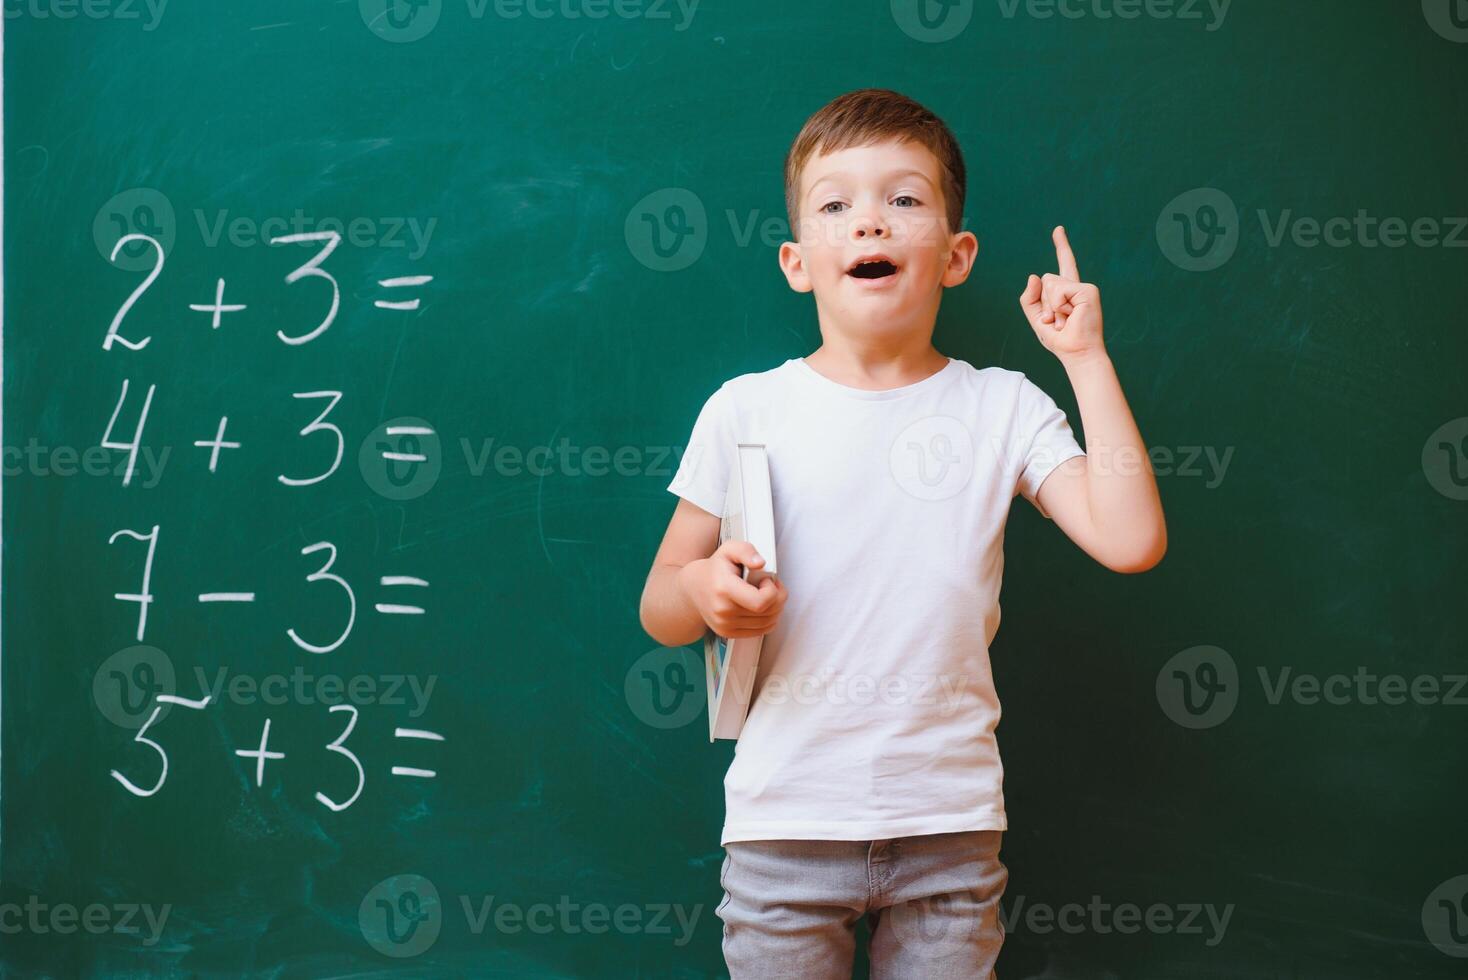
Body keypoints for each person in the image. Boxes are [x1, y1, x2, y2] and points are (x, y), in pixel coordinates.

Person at [639, 87, 1167, 979]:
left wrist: (1086, 360)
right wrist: (702, 592)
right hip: (783, 827)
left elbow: (1129, 540)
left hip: (949, 831)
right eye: (836, 206)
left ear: (957, 255)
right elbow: (661, 603)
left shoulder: (1002, 407)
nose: (869, 225)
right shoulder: (745, 409)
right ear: (797, 260)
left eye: (904, 201)